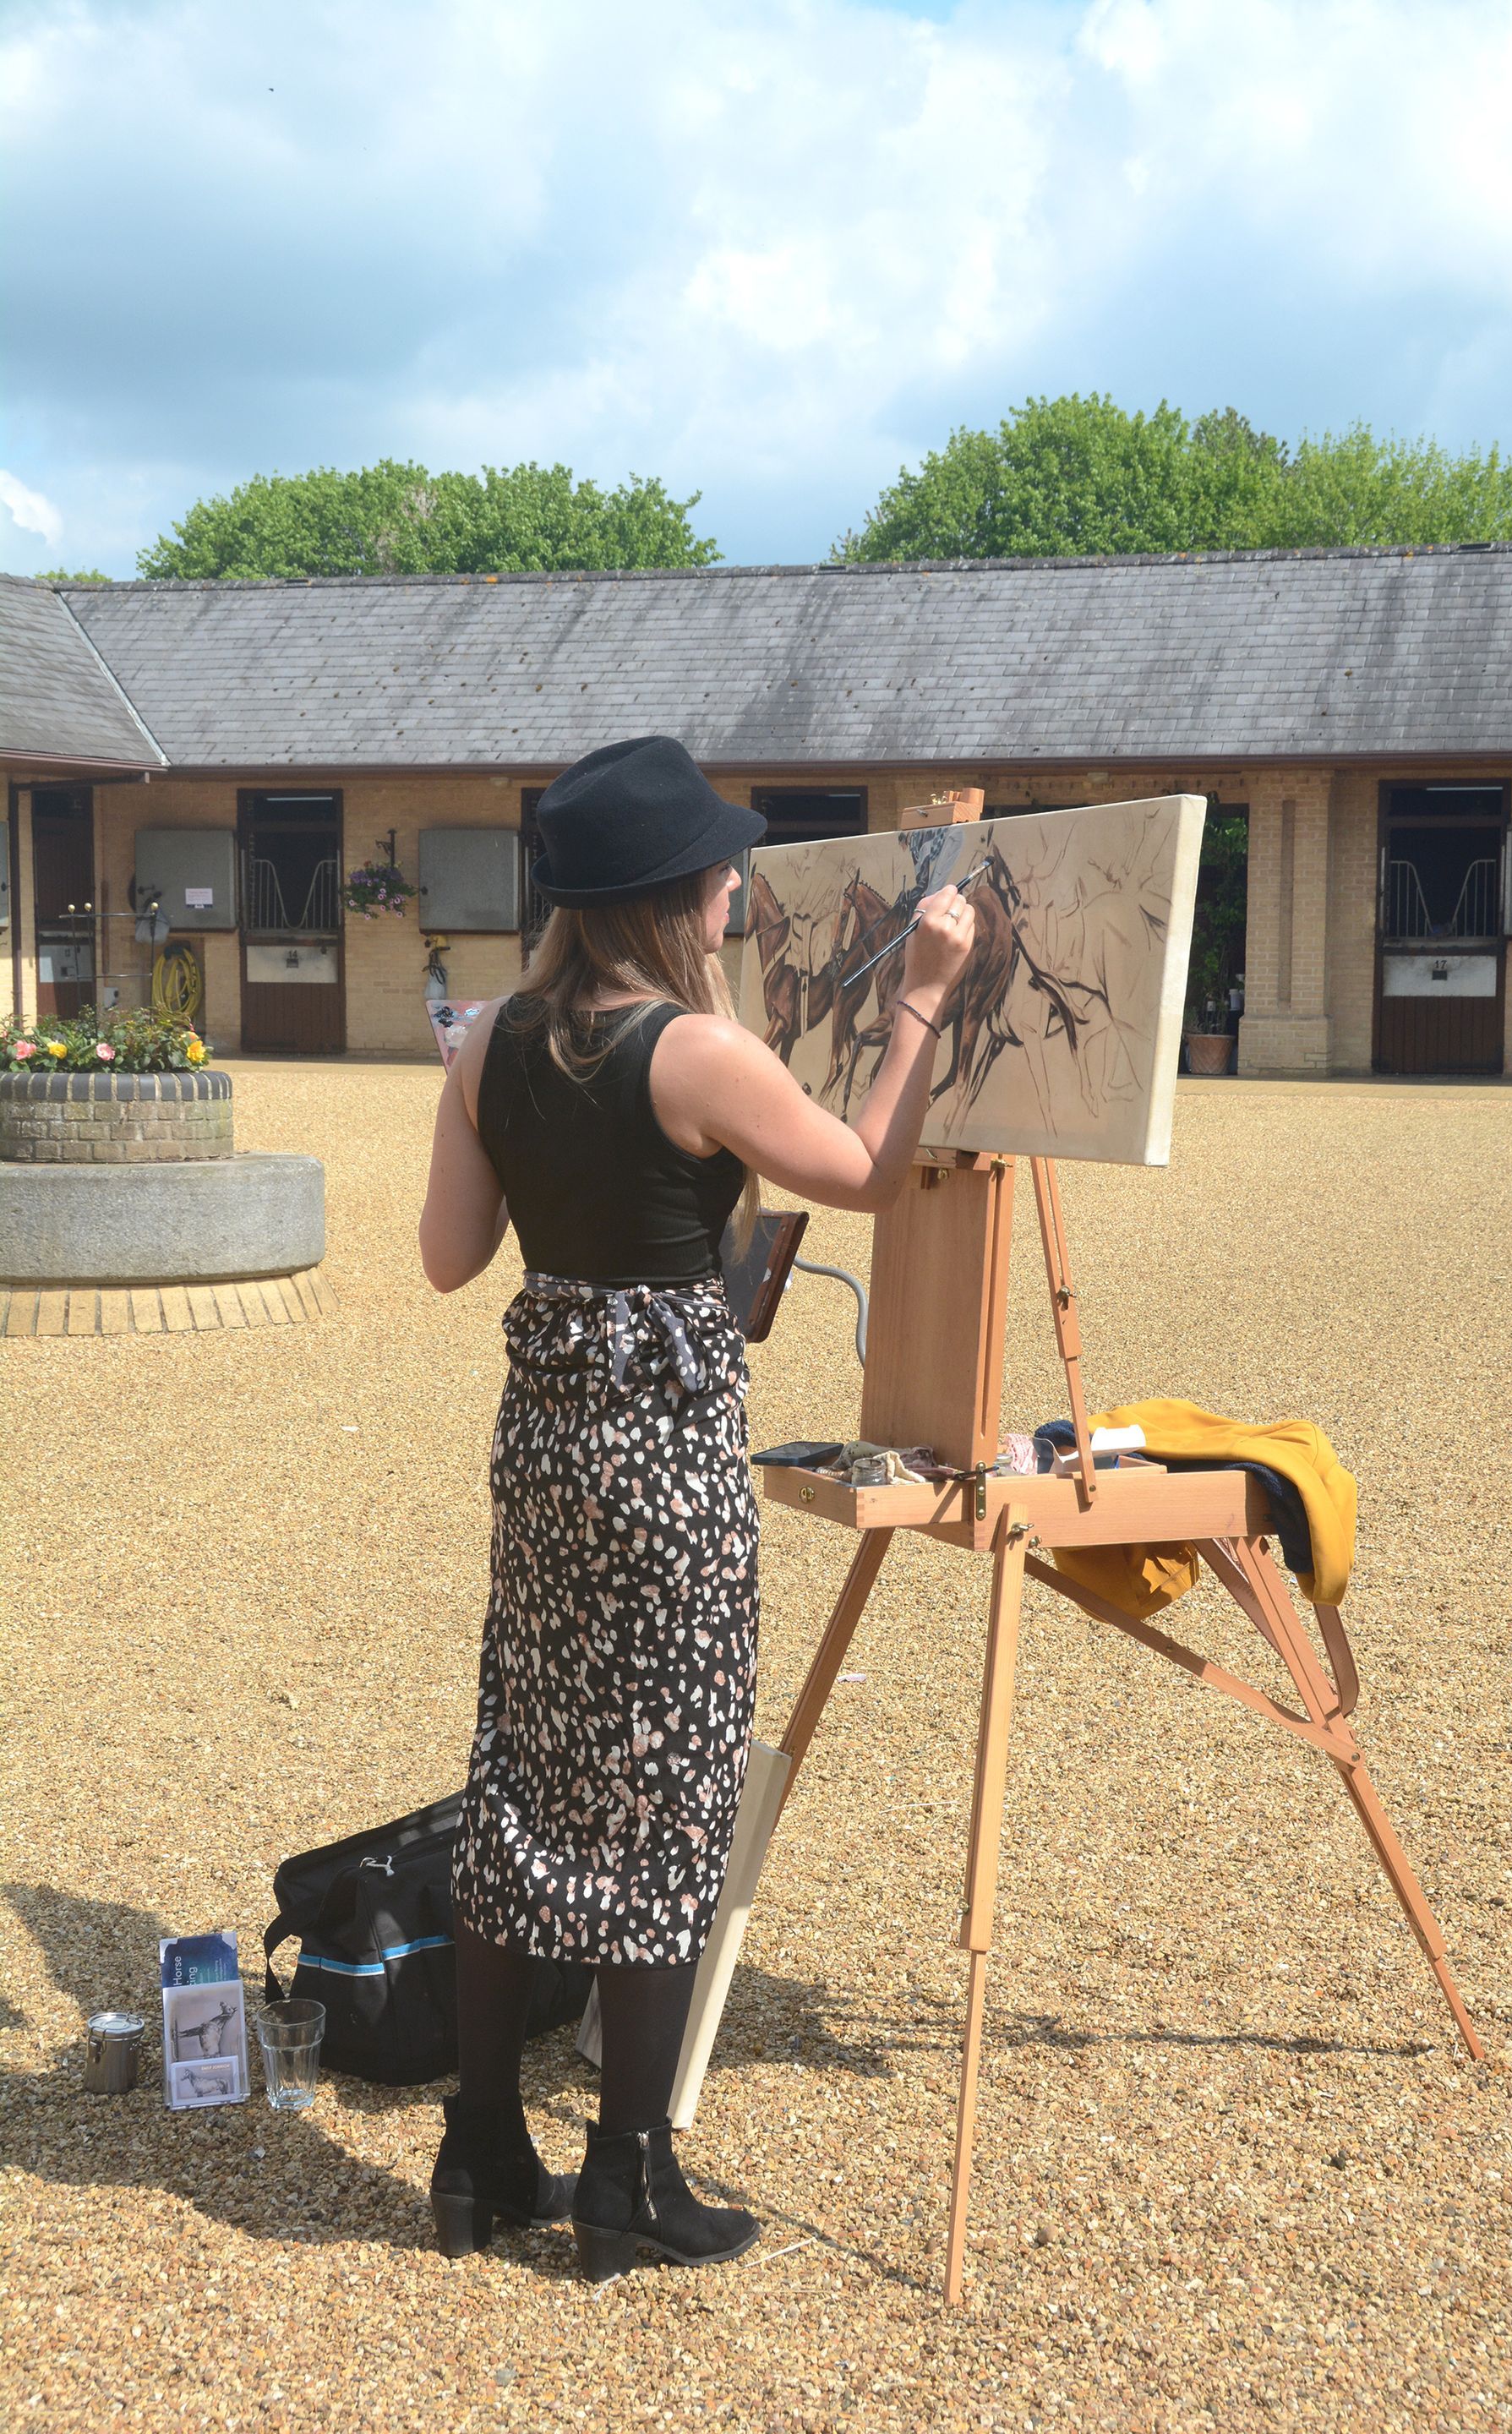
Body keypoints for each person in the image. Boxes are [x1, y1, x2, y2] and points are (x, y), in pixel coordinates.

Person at [417, 734, 976, 2282]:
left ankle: (480, 2153)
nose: (741, 879)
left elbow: (450, 1259)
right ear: (675, 892)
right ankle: (626, 2177)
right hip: (662, 1460)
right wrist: (925, 988)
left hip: (544, 1455)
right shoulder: (694, 1050)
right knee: (669, 1788)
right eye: (724, 862)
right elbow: (863, 1171)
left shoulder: (490, 1043)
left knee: (526, 1767)